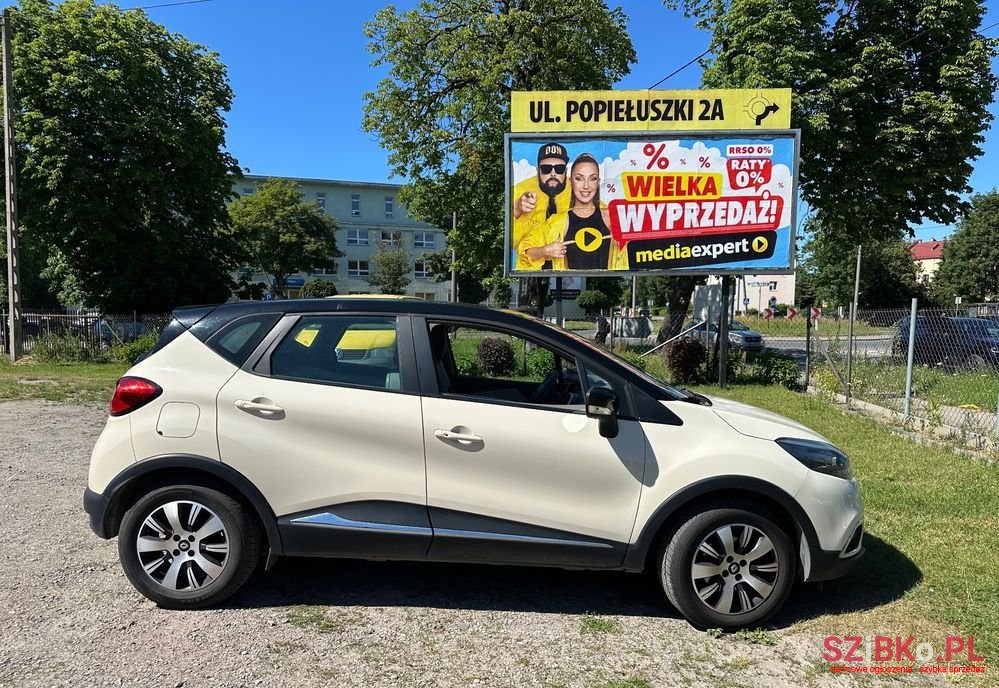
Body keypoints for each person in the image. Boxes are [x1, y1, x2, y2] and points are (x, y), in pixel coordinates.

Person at [520, 153, 628, 271]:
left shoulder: (613, 217)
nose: (586, 186)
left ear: (598, 182)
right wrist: (545, 250)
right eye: (579, 178)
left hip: (612, 282)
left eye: (592, 179)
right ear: (571, 181)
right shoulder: (557, 222)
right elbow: (525, 252)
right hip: (570, 280)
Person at [512, 143, 572, 270]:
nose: (553, 174)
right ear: (537, 170)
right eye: (546, 168)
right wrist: (517, 208)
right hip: (529, 269)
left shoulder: (578, 189)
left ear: (566, 171)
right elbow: (509, 241)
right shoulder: (519, 191)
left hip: (569, 266)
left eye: (559, 168)